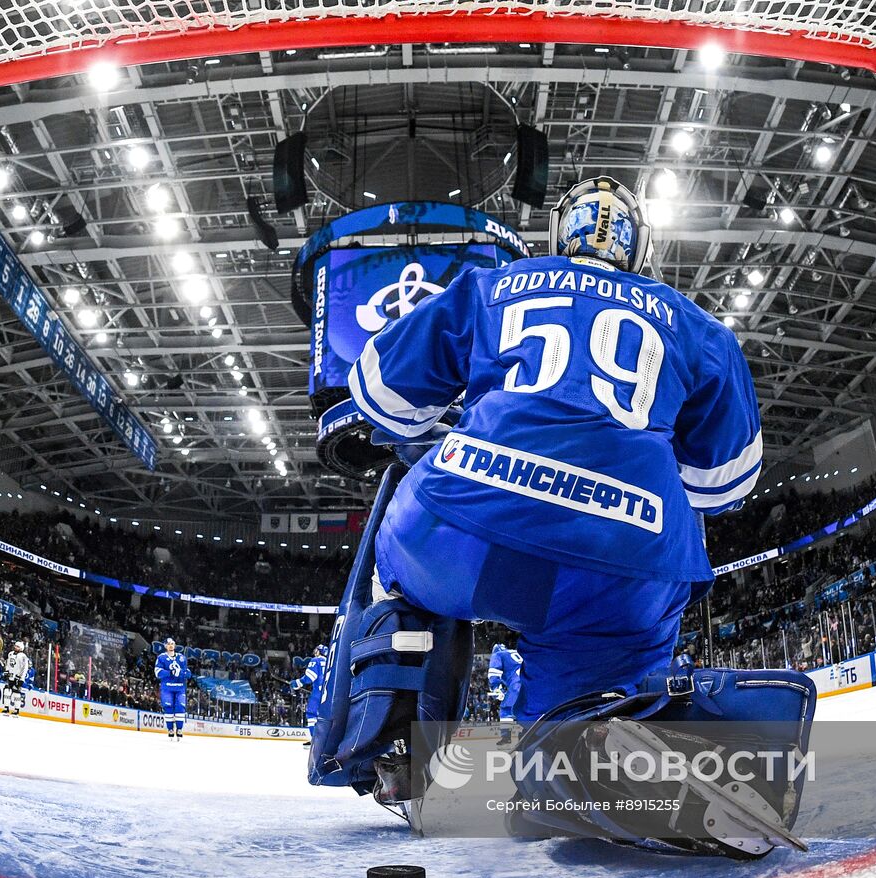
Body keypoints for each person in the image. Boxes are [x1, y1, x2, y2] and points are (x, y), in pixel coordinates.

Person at [347, 176, 762, 722]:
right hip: (621, 562)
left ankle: (390, 729)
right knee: (576, 726)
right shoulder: (702, 331)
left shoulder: (490, 285)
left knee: (396, 563)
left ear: (559, 235)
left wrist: (455, 416)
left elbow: (380, 392)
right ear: (639, 248)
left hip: (461, 529)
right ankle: (565, 752)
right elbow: (722, 485)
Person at [486, 640, 523, 746]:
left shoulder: (497, 655)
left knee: (506, 709)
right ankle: (529, 735)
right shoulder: (515, 652)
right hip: (531, 681)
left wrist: (496, 688)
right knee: (526, 710)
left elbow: (494, 674)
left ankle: (506, 738)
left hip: (517, 684)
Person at [289, 644, 328, 743]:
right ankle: (325, 741)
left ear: (319, 651)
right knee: (325, 717)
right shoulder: (331, 662)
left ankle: (315, 741)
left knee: (311, 715)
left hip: (318, 693)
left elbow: (309, 678)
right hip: (329, 694)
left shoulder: (316, 660)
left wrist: (297, 683)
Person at [154, 638, 190, 740]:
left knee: (180, 707)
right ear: (165, 646)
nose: (170, 645)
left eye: (172, 643)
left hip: (180, 688)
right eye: (168, 644)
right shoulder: (161, 657)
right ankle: (170, 729)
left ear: (174, 645)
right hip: (167, 688)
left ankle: (179, 729)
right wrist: (170, 672)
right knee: (168, 707)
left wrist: (180, 673)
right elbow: (157, 672)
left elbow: (188, 673)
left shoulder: (182, 658)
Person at [2, 640, 31, 717]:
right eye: (15, 645)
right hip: (10, 676)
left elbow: (24, 668)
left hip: (18, 678)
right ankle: (6, 708)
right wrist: (6, 672)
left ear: (21, 648)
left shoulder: (23, 656)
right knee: (7, 691)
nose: (15, 647)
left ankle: (16, 710)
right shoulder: (10, 653)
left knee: (16, 693)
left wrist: (20, 677)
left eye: (17, 646)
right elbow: (7, 664)